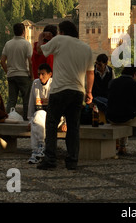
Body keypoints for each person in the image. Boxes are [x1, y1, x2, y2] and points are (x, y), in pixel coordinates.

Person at [37, 20, 94, 171]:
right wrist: (89, 92)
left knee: (51, 125)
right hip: (77, 92)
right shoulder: (86, 47)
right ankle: (72, 161)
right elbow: (90, 73)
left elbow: (39, 51)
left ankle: (50, 159)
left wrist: (41, 36)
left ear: (61, 32)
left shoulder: (59, 40)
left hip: (59, 89)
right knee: (74, 127)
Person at [106, 66, 136, 156]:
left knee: (124, 113)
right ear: (134, 74)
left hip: (111, 117)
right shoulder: (135, 85)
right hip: (126, 118)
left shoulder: (112, 82)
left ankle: (122, 147)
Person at [0, 23, 33, 120]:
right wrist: (31, 75)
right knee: (26, 99)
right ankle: (26, 119)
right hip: (23, 75)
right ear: (24, 31)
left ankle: (8, 118)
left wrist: (8, 72)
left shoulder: (8, 43)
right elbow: (30, 62)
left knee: (11, 100)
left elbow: (2, 61)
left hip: (11, 75)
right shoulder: (26, 44)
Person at [26, 63, 53, 164]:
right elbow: (31, 103)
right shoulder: (35, 83)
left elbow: (60, 105)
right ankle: (38, 150)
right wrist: (30, 119)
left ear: (50, 74)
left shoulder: (54, 84)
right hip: (39, 117)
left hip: (52, 118)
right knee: (36, 119)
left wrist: (64, 122)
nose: (40, 77)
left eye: (43, 74)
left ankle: (37, 148)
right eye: (39, 74)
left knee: (38, 117)